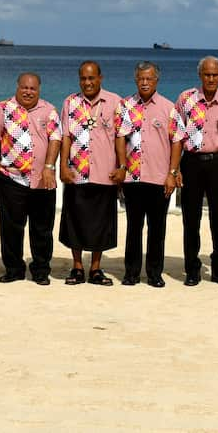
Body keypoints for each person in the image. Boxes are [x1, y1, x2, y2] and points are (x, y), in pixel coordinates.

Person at [0, 73, 63, 285]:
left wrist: (49, 166)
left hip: (42, 179)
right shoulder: (2, 108)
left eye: (33, 89)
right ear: (17, 87)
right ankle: (14, 269)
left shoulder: (49, 110)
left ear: (39, 90)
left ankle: (40, 270)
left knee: (42, 229)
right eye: (24, 88)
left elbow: (55, 139)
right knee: (11, 228)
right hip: (12, 178)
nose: (28, 92)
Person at [176, 56, 218, 287]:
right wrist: (174, 169)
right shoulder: (185, 99)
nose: (211, 79)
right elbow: (175, 136)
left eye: (215, 75)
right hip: (191, 163)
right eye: (207, 74)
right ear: (200, 75)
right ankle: (192, 270)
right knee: (191, 219)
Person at [115, 61, 186, 288]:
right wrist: (122, 167)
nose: (145, 82)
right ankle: (131, 273)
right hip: (133, 178)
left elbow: (177, 142)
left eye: (149, 79)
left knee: (157, 228)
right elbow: (120, 138)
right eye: (141, 79)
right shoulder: (125, 106)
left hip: (158, 178)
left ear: (156, 80)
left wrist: (172, 173)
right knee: (133, 228)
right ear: (136, 80)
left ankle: (155, 273)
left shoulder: (168, 107)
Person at [58, 61, 124, 286]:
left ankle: (96, 268)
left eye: (91, 78)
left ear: (100, 78)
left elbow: (120, 137)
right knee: (74, 220)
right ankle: (77, 267)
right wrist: (63, 166)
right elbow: (65, 136)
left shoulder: (115, 102)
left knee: (101, 223)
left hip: (104, 172)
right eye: (83, 79)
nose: (87, 83)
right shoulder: (70, 102)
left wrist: (122, 167)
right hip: (77, 172)